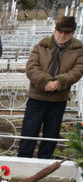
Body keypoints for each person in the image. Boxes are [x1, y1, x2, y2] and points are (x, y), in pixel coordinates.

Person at [18, 16, 83, 159]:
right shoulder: (41, 46)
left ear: (72, 33)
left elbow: (77, 70)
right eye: (59, 32)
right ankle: (23, 159)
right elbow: (31, 67)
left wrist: (59, 82)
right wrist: (45, 81)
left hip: (58, 99)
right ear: (55, 30)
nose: (62, 36)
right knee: (30, 129)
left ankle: (44, 161)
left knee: (51, 132)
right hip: (37, 96)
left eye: (66, 33)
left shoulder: (78, 50)